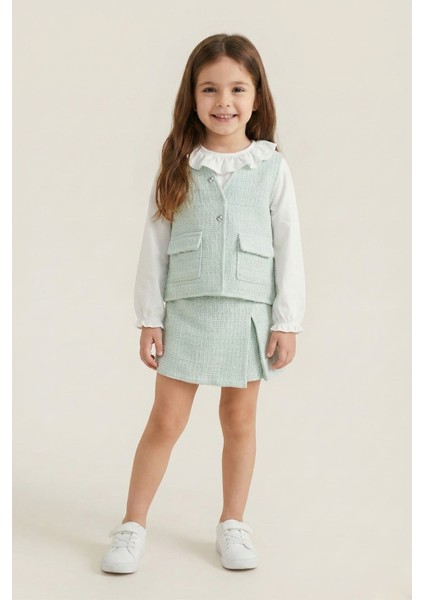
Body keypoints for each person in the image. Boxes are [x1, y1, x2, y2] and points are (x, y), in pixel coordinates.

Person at [100, 32, 305, 574]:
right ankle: (132, 525)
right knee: (166, 420)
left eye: (237, 89)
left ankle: (233, 523)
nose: (224, 101)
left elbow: (289, 243)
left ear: (257, 97)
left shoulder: (271, 166)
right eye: (210, 89)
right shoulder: (178, 162)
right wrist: (150, 316)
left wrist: (287, 320)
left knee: (239, 420)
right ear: (192, 96)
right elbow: (155, 242)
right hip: (186, 310)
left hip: (248, 311)